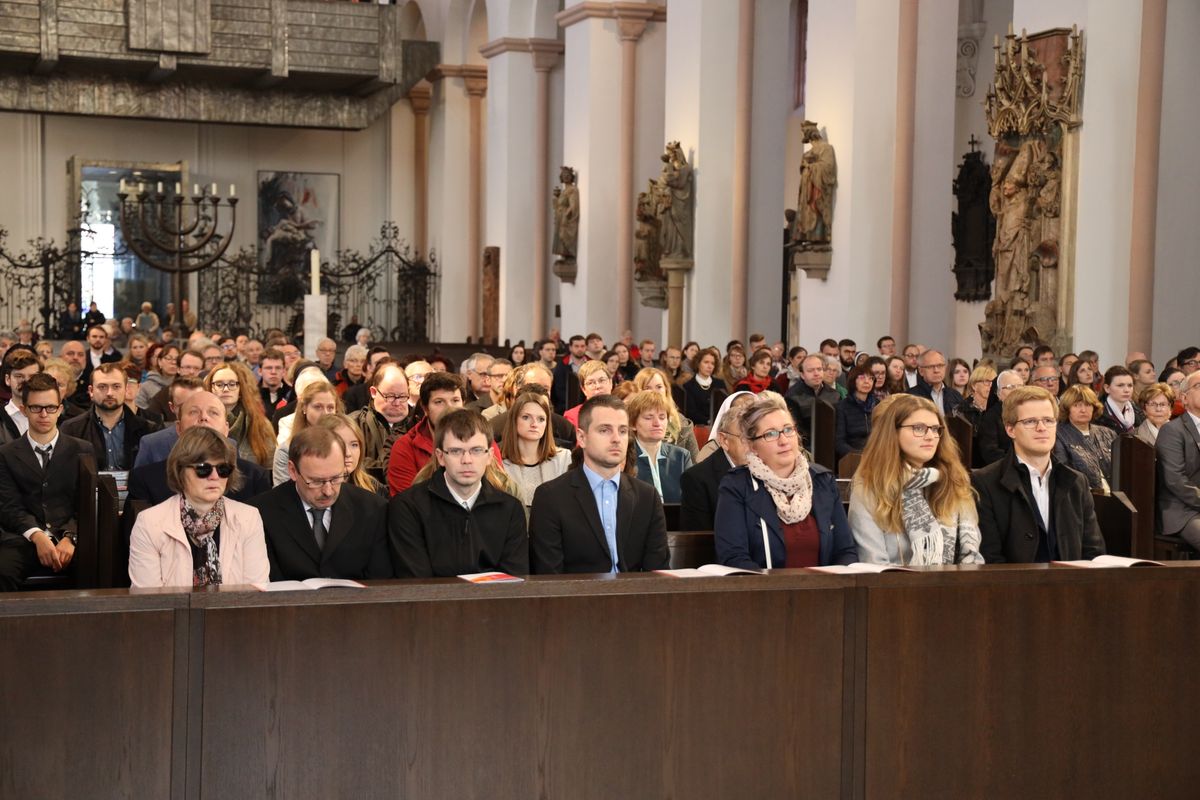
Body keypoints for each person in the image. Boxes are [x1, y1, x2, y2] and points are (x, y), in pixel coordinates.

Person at [713, 391, 856, 569]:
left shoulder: (822, 481)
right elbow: (733, 557)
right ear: (752, 446)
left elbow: (846, 551)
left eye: (788, 430)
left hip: (825, 592)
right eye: (770, 434)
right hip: (765, 592)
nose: (783, 440)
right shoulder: (738, 486)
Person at [529, 395, 668, 574]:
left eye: (623, 431)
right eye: (605, 430)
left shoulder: (647, 496)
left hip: (634, 598)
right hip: (575, 599)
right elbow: (549, 576)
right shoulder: (550, 497)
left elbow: (657, 572)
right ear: (582, 437)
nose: (617, 439)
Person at [973, 385, 1105, 562]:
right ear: (1010, 429)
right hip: (1012, 586)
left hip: (1070, 586)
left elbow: (1093, 552)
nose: (1042, 428)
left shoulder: (1076, 481)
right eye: (1030, 421)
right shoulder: (984, 482)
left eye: (1049, 420)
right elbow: (990, 558)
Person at [390, 409, 528, 578]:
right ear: (440, 457)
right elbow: (417, 583)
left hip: (493, 604)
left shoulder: (510, 509)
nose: (467, 460)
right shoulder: (408, 507)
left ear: (490, 456)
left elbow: (513, 581)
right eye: (456, 451)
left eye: (476, 450)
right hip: (430, 603)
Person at [848, 394, 982, 565]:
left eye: (935, 429)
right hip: (894, 588)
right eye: (919, 428)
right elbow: (873, 563)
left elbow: (973, 557)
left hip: (955, 585)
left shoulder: (954, 481)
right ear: (893, 433)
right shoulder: (869, 486)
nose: (930, 436)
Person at [128, 426, 269, 588]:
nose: (215, 477)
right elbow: (149, 601)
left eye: (223, 469)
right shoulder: (149, 523)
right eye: (203, 469)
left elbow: (256, 592)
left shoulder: (248, 518)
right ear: (180, 470)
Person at [249, 426, 391, 581]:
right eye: (316, 481)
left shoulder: (373, 509)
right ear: (292, 470)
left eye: (336, 478)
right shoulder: (260, 512)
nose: (328, 491)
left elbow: (380, 580)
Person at [0, 374, 95, 591]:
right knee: (2, 571)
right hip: (22, 540)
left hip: (70, 538)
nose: (44, 414)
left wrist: (71, 537)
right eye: (36, 408)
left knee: (102, 568)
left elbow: (86, 502)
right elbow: (9, 507)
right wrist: (37, 535)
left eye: (50, 408)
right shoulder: (5, 454)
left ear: (60, 409)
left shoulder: (83, 449)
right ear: (24, 410)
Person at [127, 390, 272, 505]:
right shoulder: (145, 480)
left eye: (213, 412)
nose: (203, 417)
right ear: (178, 428)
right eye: (194, 412)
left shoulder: (255, 479)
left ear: (227, 429)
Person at [388, 371, 472, 495]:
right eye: (439, 402)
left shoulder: (481, 440)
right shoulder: (405, 447)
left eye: (455, 400)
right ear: (425, 408)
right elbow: (406, 504)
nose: (449, 408)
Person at [679, 392, 753, 530]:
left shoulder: (768, 468)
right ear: (724, 440)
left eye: (755, 437)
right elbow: (700, 542)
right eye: (744, 438)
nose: (753, 445)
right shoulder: (697, 479)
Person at [59, 362, 154, 471]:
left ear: (126, 389)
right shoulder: (71, 429)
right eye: (102, 387)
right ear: (91, 391)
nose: (109, 393)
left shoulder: (148, 430)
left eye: (116, 386)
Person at [500, 390, 572, 517]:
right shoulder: (499, 463)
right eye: (526, 417)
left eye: (541, 419)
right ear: (514, 420)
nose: (534, 424)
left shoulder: (564, 458)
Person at [1156, 371, 1200, 550]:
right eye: (1199, 386)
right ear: (1184, 397)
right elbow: (1175, 479)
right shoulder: (1172, 430)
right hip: (1184, 511)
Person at [204, 360, 276, 469]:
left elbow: (269, 467)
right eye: (219, 384)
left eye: (232, 384)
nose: (226, 389)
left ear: (241, 389)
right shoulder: (201, 421)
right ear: (210, 388)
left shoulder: (260, 424)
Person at [627, 390, 693, 504]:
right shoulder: (625, 457)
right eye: (648, 417)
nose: (657, 423)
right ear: (633, 424)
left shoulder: (682, 456)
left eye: (662, 417)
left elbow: (691, 501)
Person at [349, 361, 408, 485]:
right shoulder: (353, 424)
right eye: (390, 396)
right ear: (373, 392)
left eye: (402, 396)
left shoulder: (419, 425)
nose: (397, 403)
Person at [272, 382, 342, 485]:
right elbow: (281, 494)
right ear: (304, 408)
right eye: (318, 407)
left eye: (330, 408)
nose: (325, 413)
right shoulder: (286, 450)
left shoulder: (344, 445)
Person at [1053, 384, 1117, 493]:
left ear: (1094, 407)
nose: (1083, 410)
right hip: (1083, 497)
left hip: (1116, 496)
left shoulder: (1108, 433)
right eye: (1077, 405)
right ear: (1067, 408)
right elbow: (1064, 473)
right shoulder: (1058, 434)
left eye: (1088, 405)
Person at [630, 367, 699, 461]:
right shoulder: (629, 421)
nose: (654, 392)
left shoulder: (682, 422)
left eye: (659, 387)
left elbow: (695, 462)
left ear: (666, 389)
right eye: (647, 388)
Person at [784, 354, 840, 447]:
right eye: (810, 370)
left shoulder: (835, 395)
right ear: (802, 375)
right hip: (806, 448)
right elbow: (796, 430)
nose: (816, 373)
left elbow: (839, 426)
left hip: (832, 446)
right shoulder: (792, 397)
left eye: (819, 369)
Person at [834, 363, 878, 459]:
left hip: (877, 456)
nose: (867, 382)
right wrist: (859, 456)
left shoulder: (878, 405)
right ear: (853, 381)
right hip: (853, 458)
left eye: (871, 378)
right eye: (862, 378)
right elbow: (839, 443)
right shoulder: (842, 407)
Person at [908, 349, 963, 418]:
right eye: (930, 367)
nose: (936, 370)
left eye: (940, 365)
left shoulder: (955, 395)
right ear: (921, 371)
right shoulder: (911, 396)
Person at [680, 347, 725, 426]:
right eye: (706, 362)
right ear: (698, 363)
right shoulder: (689, 386)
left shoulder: (720, 384)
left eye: (712, 363)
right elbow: (691, 412)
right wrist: (708, 421)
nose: (709, 366)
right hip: (698, 428)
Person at [1095, 365, 1143, 434]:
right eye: (1120, 385)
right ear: (1107, 388)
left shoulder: (1138, 412)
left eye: (1130, 385)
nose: (1126, 390)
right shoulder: (1097, 414)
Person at [562, 360, 611, 428]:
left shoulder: (622, 412)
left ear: (610, 383)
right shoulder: (572, 416)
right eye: (591, 383)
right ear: (583, 389)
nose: (598, 386)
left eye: (602, 380)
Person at [551, 335, 588, 414]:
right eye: (576, 346)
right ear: (570, 347)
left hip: (587, 405)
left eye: (582, 346)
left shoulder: (591, 363)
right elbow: (559, 389)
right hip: (565, 406)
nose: (580, 349)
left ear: (586, 347)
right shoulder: (562, 364)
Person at [1134, 382, 1175, 447]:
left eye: (1162, 404)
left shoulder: (1184, 434)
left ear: (1170, 408)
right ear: (1144, 409)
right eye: (1152, 404)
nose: (1158, 409)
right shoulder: (1133, 437)